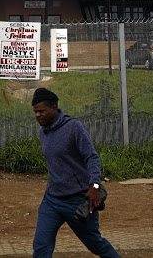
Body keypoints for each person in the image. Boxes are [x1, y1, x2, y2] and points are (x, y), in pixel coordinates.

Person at [31, 87, 121, 258]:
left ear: (54, 107)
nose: (38, 115)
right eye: (35, 112)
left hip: (78, 200)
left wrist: (94, 186)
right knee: (41, 246)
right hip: (52, 200)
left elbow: (92, 158)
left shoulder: (73, 127)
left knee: (96, 244)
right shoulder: (44, 132)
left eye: (41, 111)